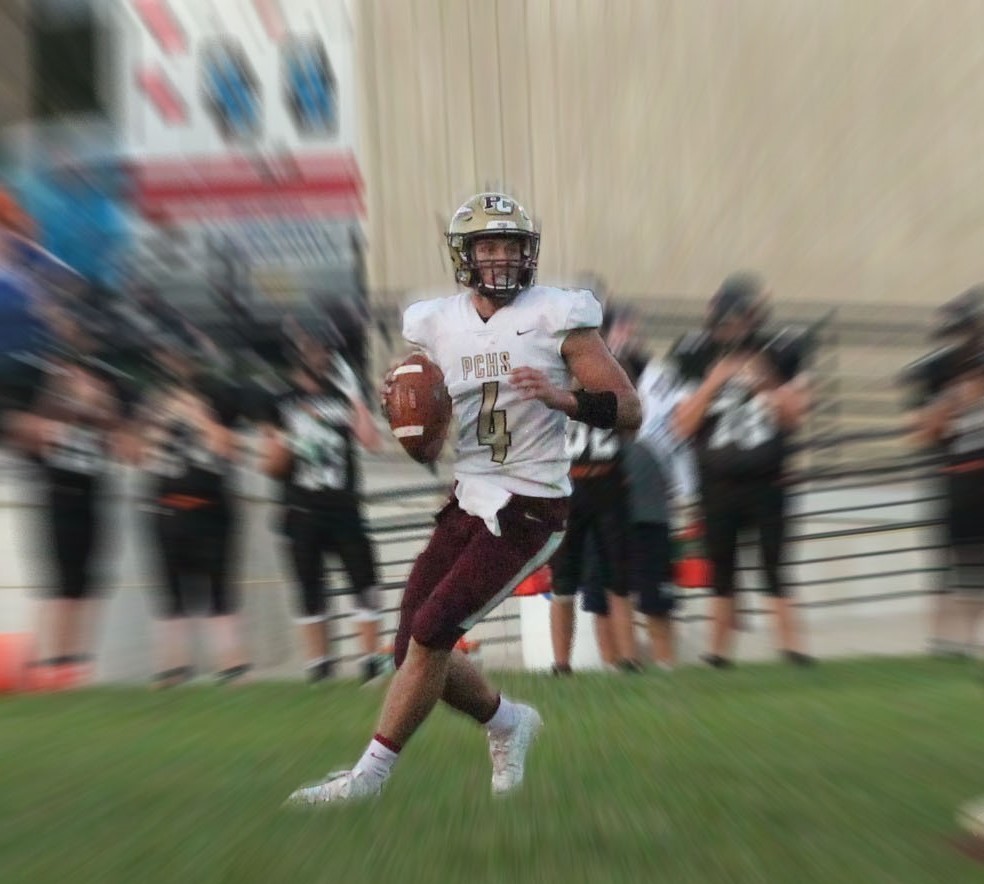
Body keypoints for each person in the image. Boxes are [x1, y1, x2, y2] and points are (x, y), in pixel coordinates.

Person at [285, 191, 640, 806]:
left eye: (510, 245)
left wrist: (564, 399)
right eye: (488, 246)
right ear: (465, 256)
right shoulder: (436, 324)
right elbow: (428, 446)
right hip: (469, 498)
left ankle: (367, 778)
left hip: (531, 503)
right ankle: (507, 720)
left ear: (528, 252)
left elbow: (630, 410)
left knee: (432, 632)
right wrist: (408, 414)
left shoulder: (558, 314)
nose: (501, 258)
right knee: (413, 647)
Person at [670, 272, 812, 668]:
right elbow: (682, 425)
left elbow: (796, 415)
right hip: (717, 479)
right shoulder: (696, 355)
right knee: (721, 570)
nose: (731, 328)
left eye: (738, 319)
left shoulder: (780, 351)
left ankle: (793, 650)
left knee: (775, 566)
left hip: (767, 477)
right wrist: (715, 381)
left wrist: (764, 381)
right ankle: (718, 654)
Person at [259, 316, 385, 683]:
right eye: (315, 349)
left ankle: (370, 663)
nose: (322, 356)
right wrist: (292, 438)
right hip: (302, 509)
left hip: (344, 507)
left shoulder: (341, 393)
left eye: (326, 350)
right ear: (298, 353)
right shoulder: (281, 400)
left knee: (367, 584)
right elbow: (271, 465)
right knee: (310, 591)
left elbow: (371, 442)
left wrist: (355, 397)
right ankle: (318, 666)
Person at [135, 328, 251, 688]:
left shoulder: (218, 394)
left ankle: (231, 667)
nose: (172, 361)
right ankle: (173, 667)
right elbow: (136, 453)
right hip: (166, 507)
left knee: (220, 589)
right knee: (170, 592)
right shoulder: (155, 398)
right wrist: (155, 422)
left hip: (211, 506)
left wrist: (197, 414)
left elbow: (229, 448)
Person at [906, 288, 984, 657]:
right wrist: (951, 402)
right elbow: (919, 432)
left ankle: (962, 639)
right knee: (950, 558)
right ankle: (945, 641)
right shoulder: (936, 371)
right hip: (954, 472)